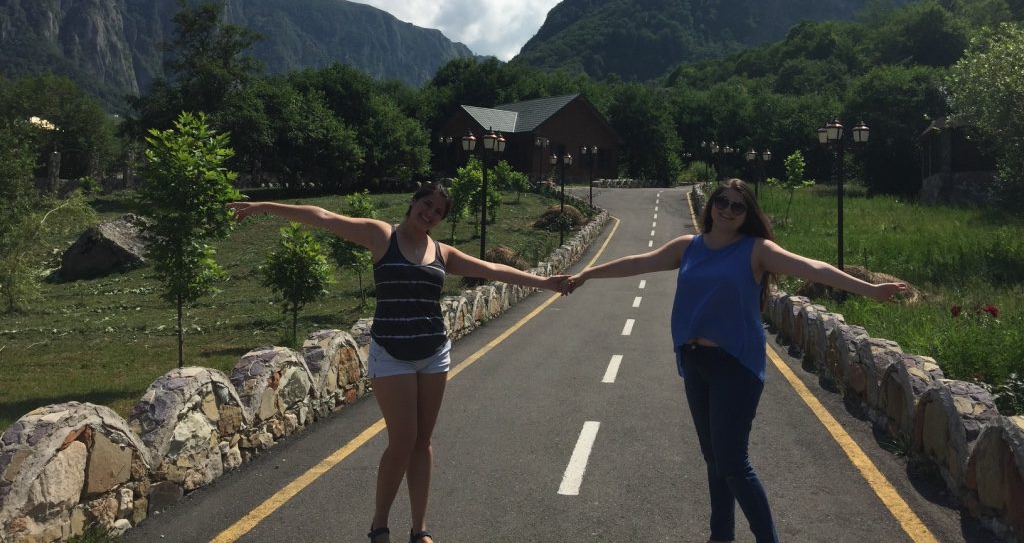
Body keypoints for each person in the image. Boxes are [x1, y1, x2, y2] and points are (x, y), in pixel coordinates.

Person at [566, 179, 906, 543]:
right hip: (695, 360)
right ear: (712, 205)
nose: (727, 210)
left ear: (747, 215)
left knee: (732, 461)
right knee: (714, 457)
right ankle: (721, 535)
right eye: (722, 202)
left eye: (737, 206)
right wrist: (587, 274)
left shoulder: (756, 250)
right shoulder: (689, 247)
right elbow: (637, 263)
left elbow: (813, 268)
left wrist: (869, 289)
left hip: (736, 365)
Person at [228, 183, 569, 543]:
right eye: (426, 204)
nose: (430, 214)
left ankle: (420, 529)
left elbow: (492, 268)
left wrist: (545, 282)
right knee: (402, 439)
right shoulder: (382, 236)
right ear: (413, 202)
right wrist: (264, 206)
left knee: (422, 441)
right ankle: (379, 524)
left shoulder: (441, 252)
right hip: (391, 353)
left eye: (438, 211)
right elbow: (323, 217)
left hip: (433, 353)